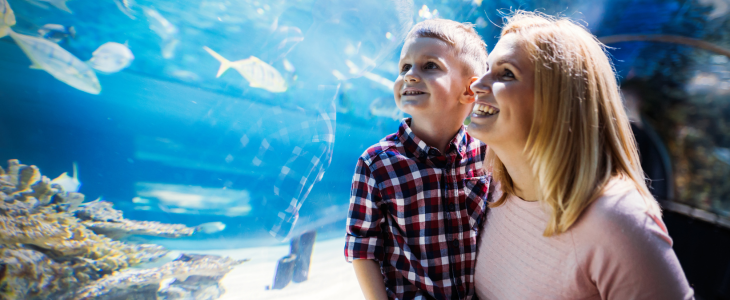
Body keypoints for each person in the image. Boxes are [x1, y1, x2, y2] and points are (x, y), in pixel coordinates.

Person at [467, 11, 694, 299]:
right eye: (486, 68)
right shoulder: (488, 184)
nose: (477, 84)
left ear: (558, 103)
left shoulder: (615, 221)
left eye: (506, 73)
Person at [345, 19, 490, 300]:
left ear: (469, 90)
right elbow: (362, 249)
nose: (410, 75)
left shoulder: (488, 154)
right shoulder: (376, 164)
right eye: (404, 67)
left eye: (430, 66)